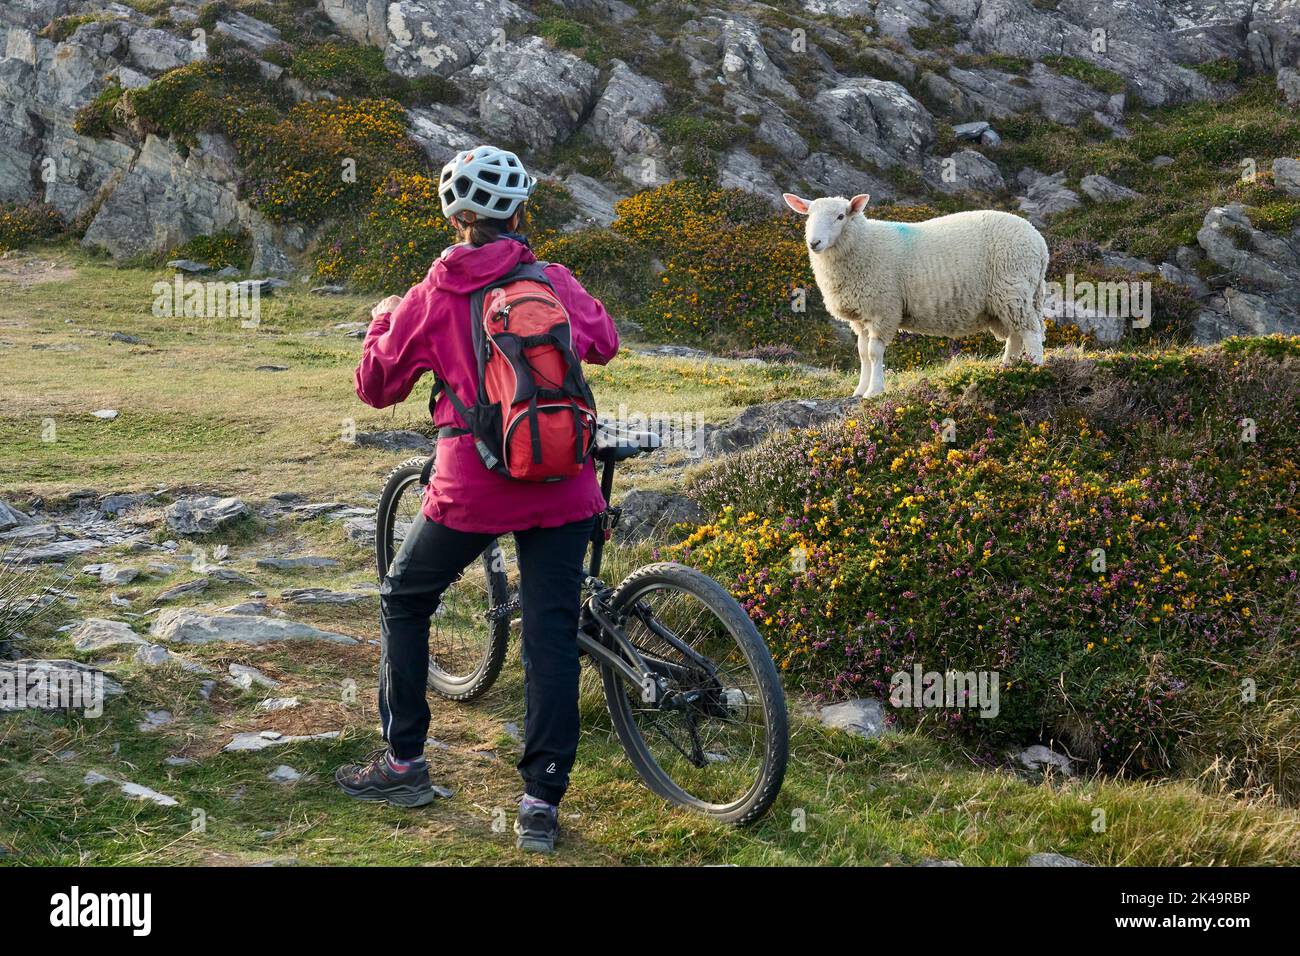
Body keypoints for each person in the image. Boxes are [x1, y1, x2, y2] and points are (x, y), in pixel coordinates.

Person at [335, 146, 619, 853]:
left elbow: (375, 386)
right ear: (520, 211)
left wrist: (382, 320)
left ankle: (404, 763)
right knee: (550, 634)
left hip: (472, 489)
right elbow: (605, 343)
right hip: (564, 482)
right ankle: (540, 805)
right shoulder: (549, 278)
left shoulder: (433, 292)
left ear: (454, 218)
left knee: (405, 598)